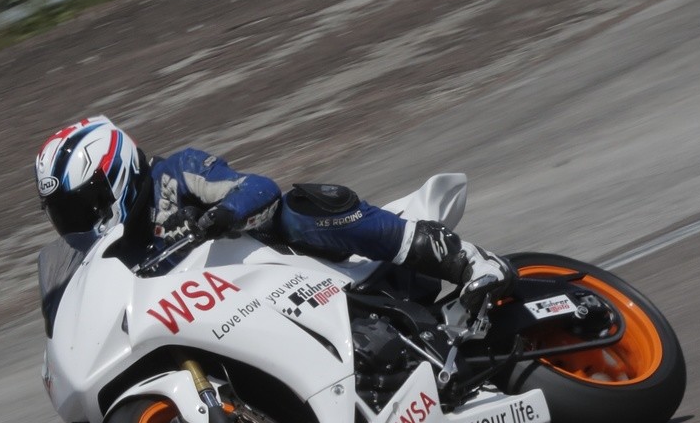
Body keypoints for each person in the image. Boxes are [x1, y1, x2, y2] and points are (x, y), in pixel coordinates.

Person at [33, 115, 512, 313]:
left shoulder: (176, 173)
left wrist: (221, 216)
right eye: (64, 214)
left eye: (81, 206)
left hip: (288, 273)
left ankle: (468, 261)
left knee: (295, 210)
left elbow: (257, 186)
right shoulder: (116, 256)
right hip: (223, 315)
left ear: (115, 173)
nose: (78, 222)